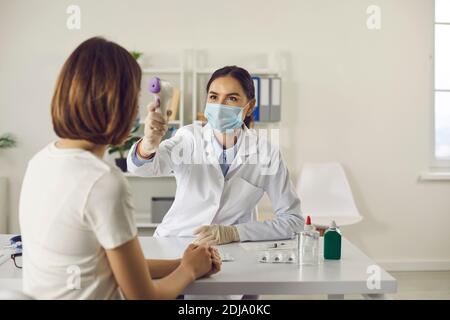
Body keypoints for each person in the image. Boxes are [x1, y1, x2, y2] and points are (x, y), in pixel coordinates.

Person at [18, 37, 221, 300]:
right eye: (134, 97)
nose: (136, 109)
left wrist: (182, 264)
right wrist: (188, 272)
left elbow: (106, 264)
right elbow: (145, 298)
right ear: (118, 102)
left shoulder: (40, 162)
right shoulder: (103, 183)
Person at [127, 66, 303, 245]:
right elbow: (141, 168)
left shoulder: (266, 153)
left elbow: (293, 221)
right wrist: (148, 144)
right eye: (213, 97)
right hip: (175, 242)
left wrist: (235, 232)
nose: (219, 106)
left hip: (231, 251)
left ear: (250, 107)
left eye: (232, 98)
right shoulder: (188, 138)